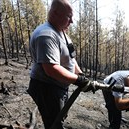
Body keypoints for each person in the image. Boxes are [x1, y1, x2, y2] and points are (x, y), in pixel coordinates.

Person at [27, 0, 97, 128]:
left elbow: (71, 58)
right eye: (69, 16)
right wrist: (78, 81)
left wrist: (81, 75)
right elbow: (51, 69)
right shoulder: (46, 35)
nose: (72, 21)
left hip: (58, 86)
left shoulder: (61, 32)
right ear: (55, 13)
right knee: (54, 123)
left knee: (59, 116)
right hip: (47, 88)